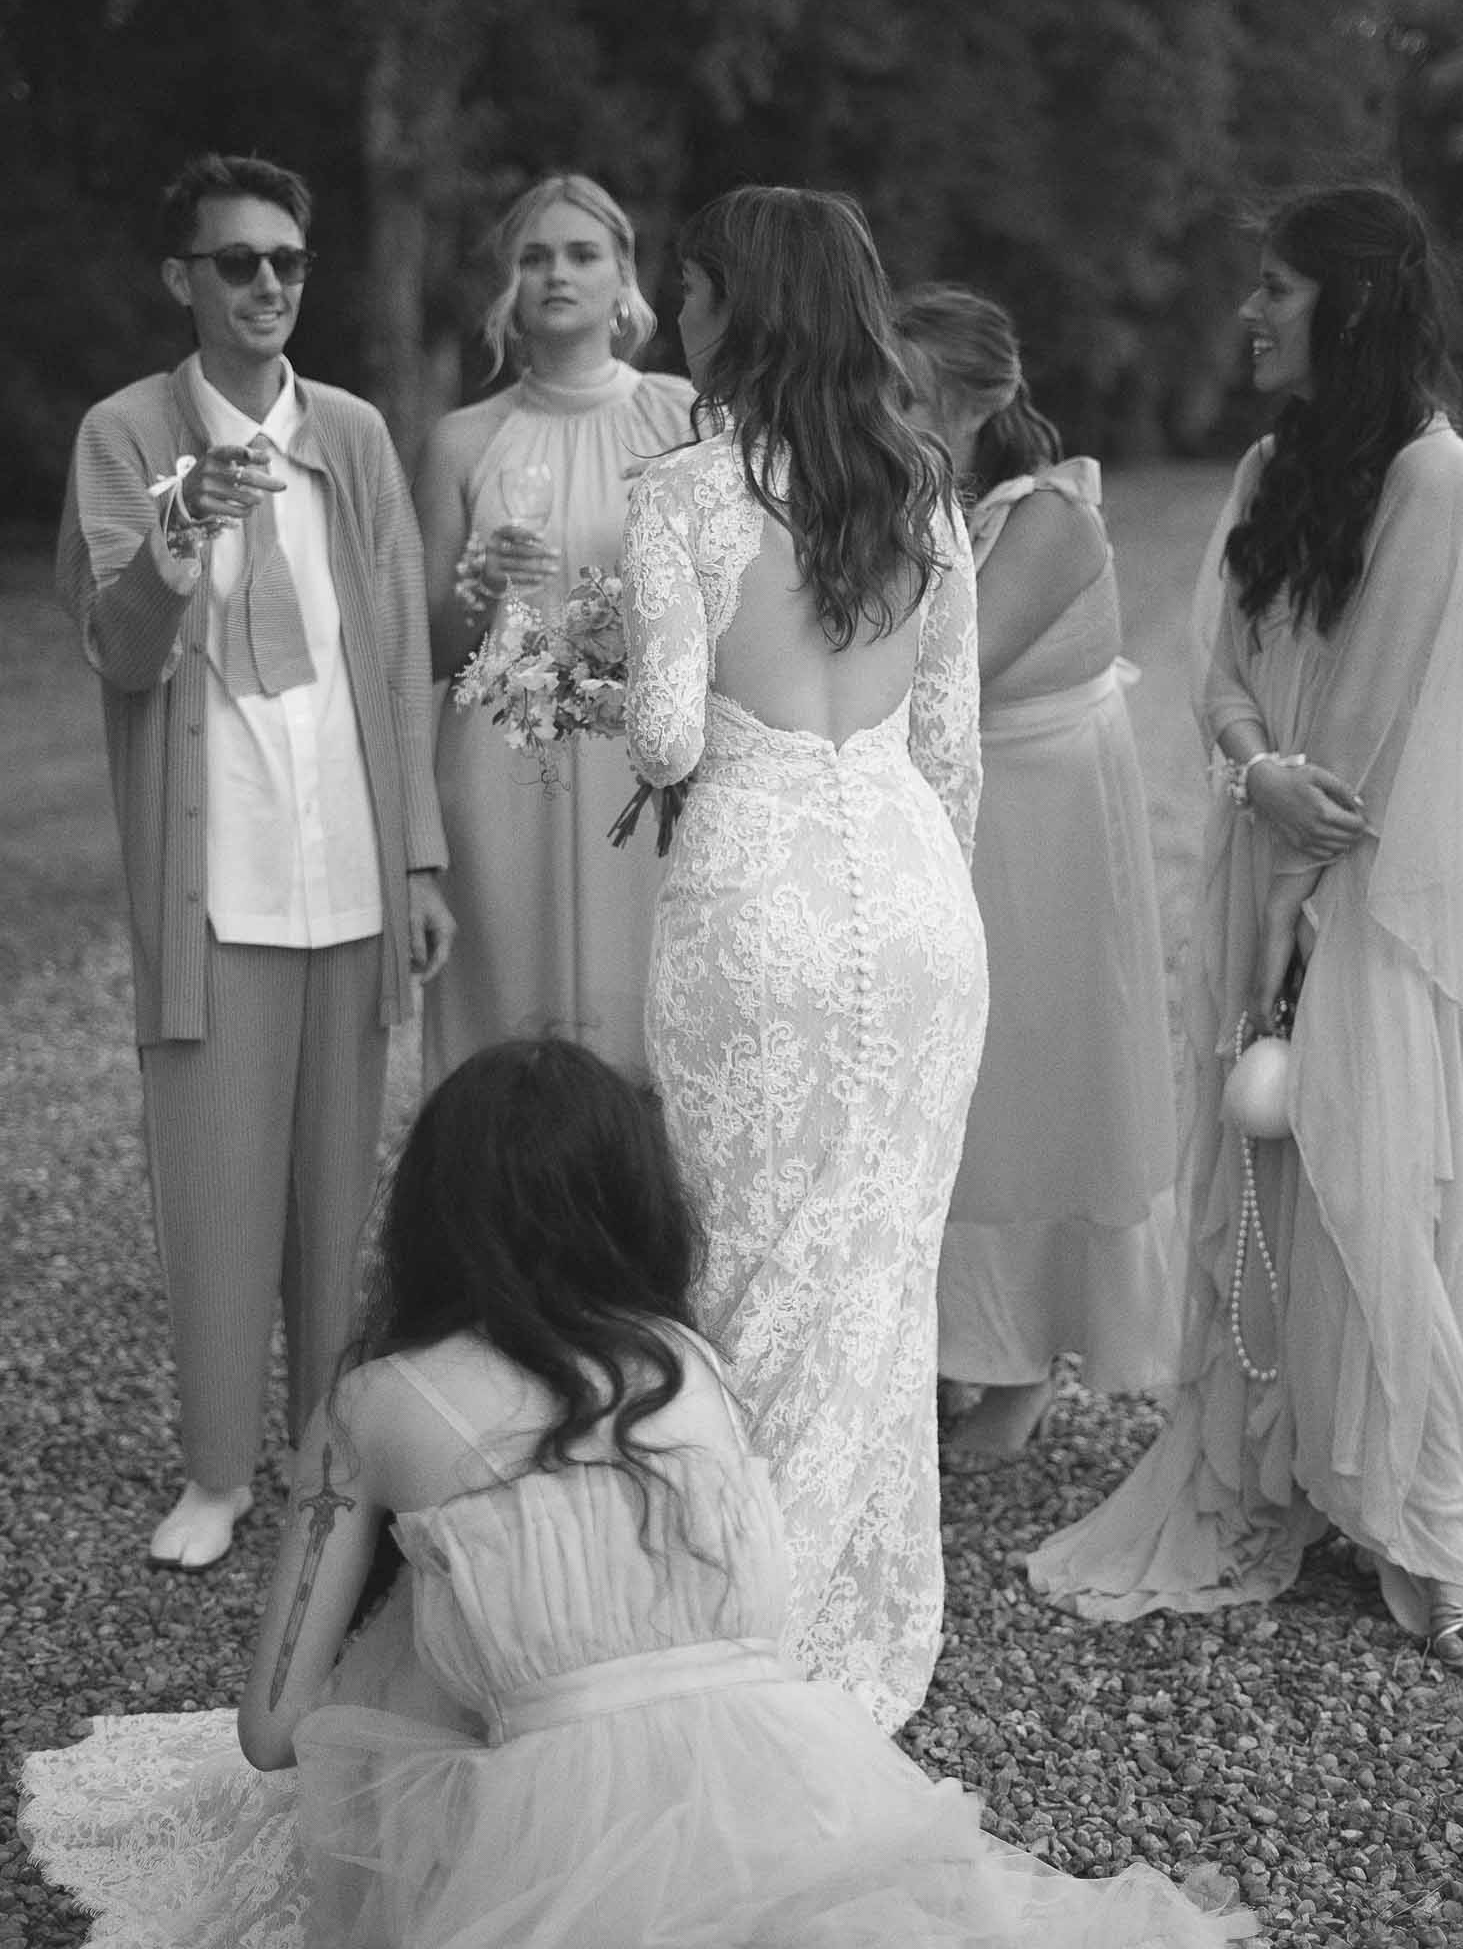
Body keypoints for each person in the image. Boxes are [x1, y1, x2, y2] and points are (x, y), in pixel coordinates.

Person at [20, 1038, 1258, 1948]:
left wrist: (427, 1660)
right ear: (636, 1201)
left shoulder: (376, 1403)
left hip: (548, 1824)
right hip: (784, 1771)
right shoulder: (685, 1363)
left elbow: (272, 1730)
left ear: (432, 1215)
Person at [1028, 182, 1463, 1668]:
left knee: (1360, 1177)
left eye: (1275, 286)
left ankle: (1426, 1515)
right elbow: (1215, 663)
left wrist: (1296, 900)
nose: (1247, 310)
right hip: (1254, 842)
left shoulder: (1430, 474)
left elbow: (1373, 716)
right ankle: (1274, 1460)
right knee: (1256, 1168)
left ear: (1349, 301)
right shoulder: (1273, 465)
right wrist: (1248, 767)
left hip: (1356, 886)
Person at [54, 152, 454, 1572]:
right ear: (184, 279)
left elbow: (398, 652)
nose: (269, 284)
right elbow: (116, 653)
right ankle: (217, 1472)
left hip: (346, 868)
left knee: (336, 1198)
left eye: (287, 260)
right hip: (215, 883)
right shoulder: (123, 434)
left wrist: (417, 859)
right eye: (238, 262)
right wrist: (179, 535)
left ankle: (319, 1460)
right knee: (217, 1190)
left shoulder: (350, 432)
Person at [621, 187, 987, 1733]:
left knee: (742, 1262)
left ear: (741, 307)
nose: (675, 317)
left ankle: (733, 1627)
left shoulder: (681, 493)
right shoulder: (922, 489)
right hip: (914, 903)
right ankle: (853, 1630)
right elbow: (951, 755)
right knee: (878, 1277)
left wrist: (599, 663)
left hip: (753, 899)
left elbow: (664, 735)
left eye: (691, 291)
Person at [896, 285, 1179, 1459]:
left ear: (978, 400)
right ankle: (935, 1344)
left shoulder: (1051, 515)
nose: (877, 412)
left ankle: (1019, 1361)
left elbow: (945, 667)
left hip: (1041, 825)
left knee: (1030, 1082)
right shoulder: (910, 498)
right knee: (939, 1079)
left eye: (902, 392)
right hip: (947, 814)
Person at [414, 173, 695, 1088]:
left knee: (649, 1026)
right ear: (509, 285)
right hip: (502, 767)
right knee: (508, 1037)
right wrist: (481, 584)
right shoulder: (463, 441)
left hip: (643, 770)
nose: (557, 275)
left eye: (582, 254)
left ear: (624, 277)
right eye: (535, 258)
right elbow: (428, 652)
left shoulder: (682, 417)